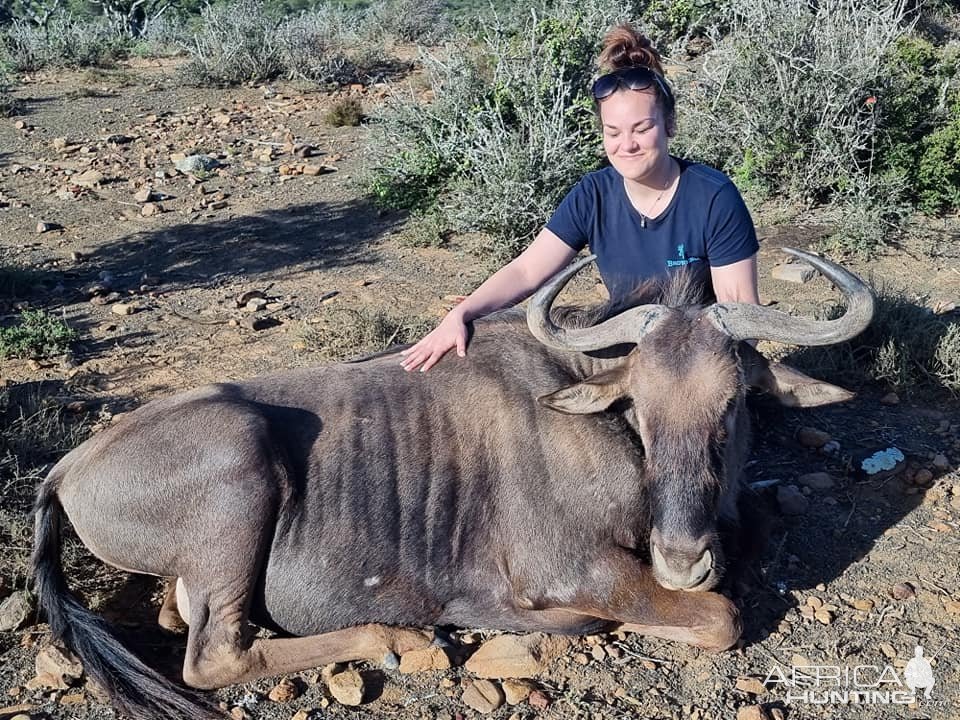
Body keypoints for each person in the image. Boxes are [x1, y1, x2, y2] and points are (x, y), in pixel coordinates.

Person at [400, 23, 759, 373]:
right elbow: (527, 270)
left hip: (697, 356)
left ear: (669, 125)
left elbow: (739, 312)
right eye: (613, 132)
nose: (627, 144)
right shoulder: (593, 193)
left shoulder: (713, 196)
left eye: (642, 128)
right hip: (626, 351)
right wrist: (459, 315)